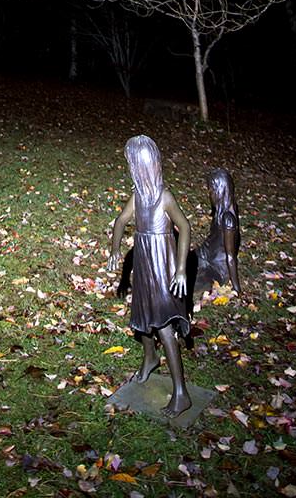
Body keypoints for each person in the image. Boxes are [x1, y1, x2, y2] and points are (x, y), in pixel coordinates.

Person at [107, 134, 192, 415]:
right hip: (144, 264)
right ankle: (150, 357)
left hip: (162, 266)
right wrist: (115, 251)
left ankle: (181, 392)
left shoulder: (164, 197)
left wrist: (180, 269)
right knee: (141, 316)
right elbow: (121, 220)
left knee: (164, 325)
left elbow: (186, 228)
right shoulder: (138, 197)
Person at [193, 166, 241, 301]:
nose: (210, 194)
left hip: (216, 266)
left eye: (211, 190)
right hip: (206, 253)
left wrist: (237, 288)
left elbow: (231, 256)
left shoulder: (228, 219)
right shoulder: (222, 211)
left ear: (220, 190)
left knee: (193, 282)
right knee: (180, 260)